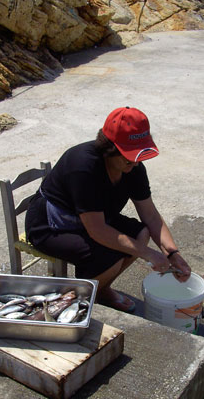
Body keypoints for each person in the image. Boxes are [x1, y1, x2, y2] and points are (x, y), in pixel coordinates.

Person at [25, 106, 191, 313]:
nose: (134, 162)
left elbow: (150, 215)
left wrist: (172, 253)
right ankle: (72, 299)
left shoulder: (133, 167)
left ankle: (100, 288)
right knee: (111, 256)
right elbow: (97, 231)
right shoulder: (84, 165)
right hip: (52, 225)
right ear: (109, 148)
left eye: (138, 155)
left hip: (95, 219)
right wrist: (149, 254)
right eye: (128, 155)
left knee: (141, 233)